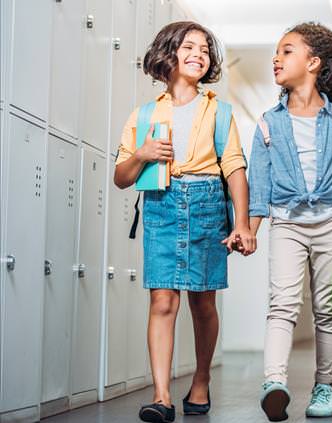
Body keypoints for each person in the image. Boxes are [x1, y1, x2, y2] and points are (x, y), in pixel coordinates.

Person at [113, 21, 255, 422]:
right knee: (162, 300)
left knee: (203, 302)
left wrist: (241, 223)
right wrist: (142, 154)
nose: (199, 54)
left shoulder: (220, 111)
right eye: (189, 46)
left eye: (205, 49)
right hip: (162, 203)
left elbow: (234, 169)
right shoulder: (143, 114)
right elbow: (121, 177)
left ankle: (201, 379)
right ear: (168, 52)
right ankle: (161, 397)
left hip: (208, 203)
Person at [247, 22, 332, 421]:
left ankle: (324, 387)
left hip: (331, 223)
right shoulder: (269, 123)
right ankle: (274, 382)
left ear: (313, 62)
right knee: (282, 305)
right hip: (287, 222)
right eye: (277, 52)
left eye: (286, 51)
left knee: (325, 308)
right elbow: (259, 185)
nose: (276, 58)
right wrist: (248, 231)